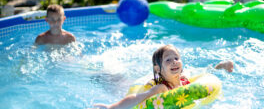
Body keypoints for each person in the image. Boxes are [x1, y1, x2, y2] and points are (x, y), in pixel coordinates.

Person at [93, 44, 233, 109]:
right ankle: (100, 74)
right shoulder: (161, 88)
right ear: (158, 69)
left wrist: (220, 66)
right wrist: (111, 107)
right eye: (168, 60)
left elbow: (206, 74)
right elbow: (137, 98)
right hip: (134, 92)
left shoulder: (185, 79)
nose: (174, 62)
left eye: (176, 58)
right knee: (115, 82)